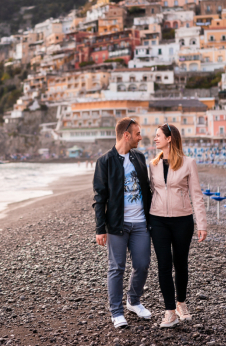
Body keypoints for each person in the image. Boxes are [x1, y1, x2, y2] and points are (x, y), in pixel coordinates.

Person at [93, 117, 152, 328]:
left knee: (143, 265)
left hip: (140, 223)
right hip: (117, 225)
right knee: (116, 267)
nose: (140, 137)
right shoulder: (105, 162)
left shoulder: (139, 158)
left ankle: (133, 301)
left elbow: (147, 189)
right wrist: (100, 229)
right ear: (126, 135)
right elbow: (99, 198)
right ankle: (117, 312)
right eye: (137, 133)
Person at [148, 124, 207, 328]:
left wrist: (202, 224)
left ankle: (181, 303)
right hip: (158, 220)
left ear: (169, 138)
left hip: (183, 220)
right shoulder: (152, 165)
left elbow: (196, 194)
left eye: (158, 136)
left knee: (180, 263)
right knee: (163, 265)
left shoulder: (188, 163)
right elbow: (149, 194)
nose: (154, 139)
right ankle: (169, 311)